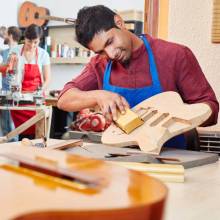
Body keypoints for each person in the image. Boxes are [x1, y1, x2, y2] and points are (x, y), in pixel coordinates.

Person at [57, 5, 219, 148]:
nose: (111, 54)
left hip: (174, 156)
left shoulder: (175, 55)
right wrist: (98, 96)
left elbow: (211, 110)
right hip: (122, 158)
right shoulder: (99, 64)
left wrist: (172, 117)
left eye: (109, 42)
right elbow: (64, 99)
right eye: (101, 51)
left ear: (119, 22)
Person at [9, 24, 51, 140]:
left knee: (38, 134)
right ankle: (23, 157)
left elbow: (47, 79)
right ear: (24, 38)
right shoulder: (15, 51)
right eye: (29, 42)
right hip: (20, 100)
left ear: (39, 40)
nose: (32, 45)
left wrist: (40, 90)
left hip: (36, 99)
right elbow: (10, 72)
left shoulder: (43, 54)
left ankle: (34, 157)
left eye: (35, 42)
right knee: (23, 135)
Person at [0, 26, 21, 141]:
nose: (4, 36)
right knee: (4, 127)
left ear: (11, 36)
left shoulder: (16, 51)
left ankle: (13, 150)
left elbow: (9, 69)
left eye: (6, 34)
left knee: (11, 127)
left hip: (11, 93)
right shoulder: (5, 51)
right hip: (4, 93)